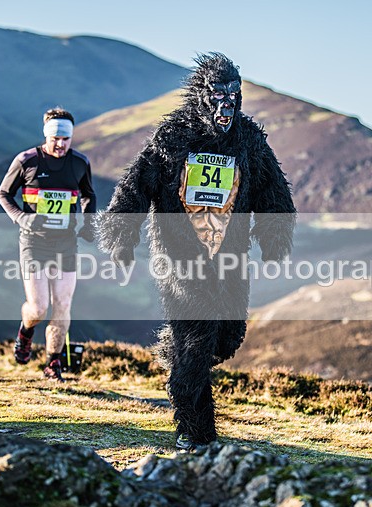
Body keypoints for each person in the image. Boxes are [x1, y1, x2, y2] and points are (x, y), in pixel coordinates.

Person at [99, 53, 296, 450]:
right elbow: (137, 185)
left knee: (227, 336)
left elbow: (273, 189)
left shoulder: (249, 141)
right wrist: (121, 237)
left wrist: (275, 240)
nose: (226, 104)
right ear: (202, 96)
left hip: (230, 254)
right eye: (218, 95)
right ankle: (195, 432)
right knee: (197, 336)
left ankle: (180, 360)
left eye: (233, 95)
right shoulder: (173, 137)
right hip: (178, 253)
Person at [0, 107, 96, 380]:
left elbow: (88, 195)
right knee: (38, 308)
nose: (61, 144)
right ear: (47, 136)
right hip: (34, 242)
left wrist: (88, 223)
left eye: (66, 139)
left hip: (65, 242)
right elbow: (3, 193)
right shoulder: (26, 161)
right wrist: (20, 217)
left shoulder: (79, 163)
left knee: (62, 303)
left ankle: (53, 363)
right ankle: (26, 330)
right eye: (56, 139)